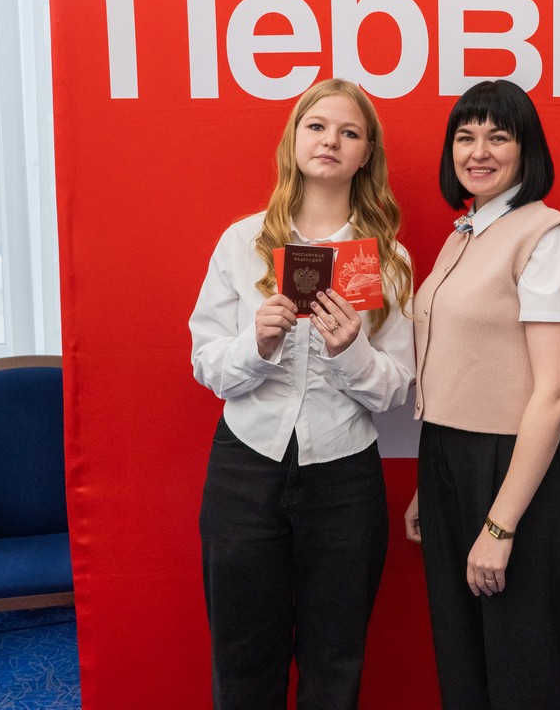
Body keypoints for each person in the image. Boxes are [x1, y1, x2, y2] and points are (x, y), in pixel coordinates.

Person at [190, 78, 415, 710]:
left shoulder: (388, 260)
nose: (330, 141)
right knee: (242, 660)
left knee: (335, 663)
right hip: (245, 468)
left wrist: (351, 351)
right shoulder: (243, 243)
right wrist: (256, 345)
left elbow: (396, 388)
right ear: (294, 139)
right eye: (317, 126)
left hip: (344, 478)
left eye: (349, 132)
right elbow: (205, 363)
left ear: (365, 154)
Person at [403, 79, 560, 710]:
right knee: (466, 663)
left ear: (526, 150)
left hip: (517, 471)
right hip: (449, 461)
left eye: (497, 136)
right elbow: (465, 365)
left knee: (527, 669)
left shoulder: (545, 236)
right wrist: (432, 484)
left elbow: (555, 393)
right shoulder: (465, 234)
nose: (478, 152)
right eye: (465, 137)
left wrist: (499, 523)